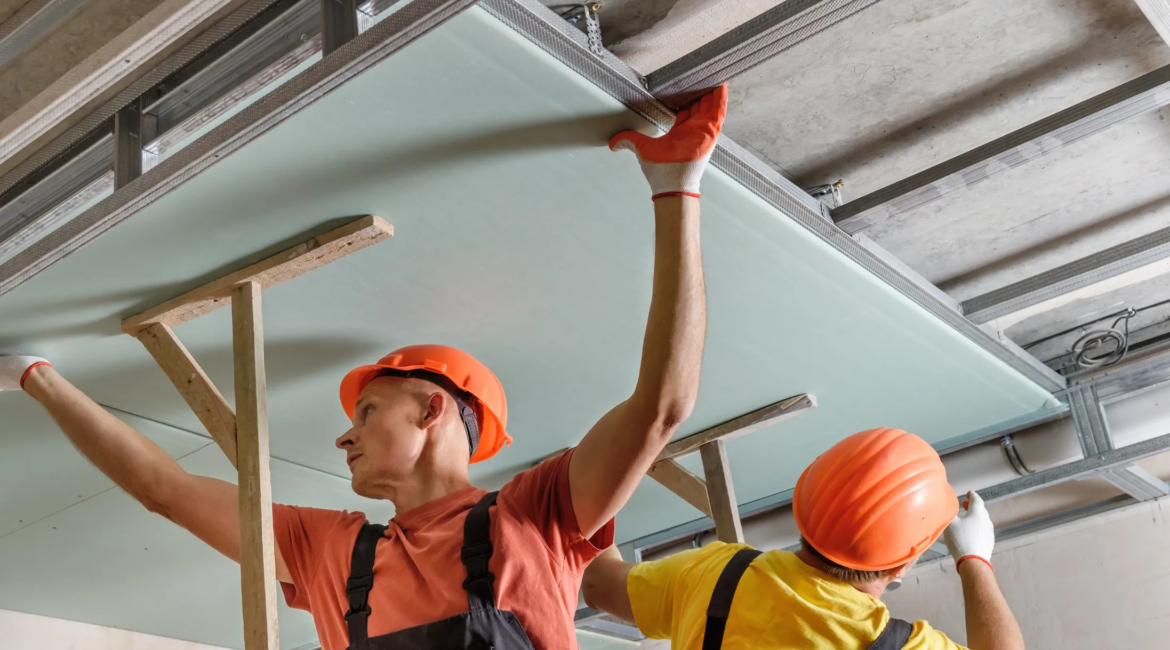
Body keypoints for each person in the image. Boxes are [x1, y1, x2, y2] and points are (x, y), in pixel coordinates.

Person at [0, 84, 728, 650]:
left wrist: (677, 191)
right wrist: (35, 375)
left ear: (434, 409)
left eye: (366, 412)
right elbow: (163, 488)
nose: (345, 438)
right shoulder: (329, 550)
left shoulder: (532, 516)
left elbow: (661, 406)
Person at [581, 427, 1026, 650]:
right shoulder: (890, 645)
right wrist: (974, 559)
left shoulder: (718, 573)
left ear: (806, 503)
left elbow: (600, 587)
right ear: (902, 563)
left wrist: (589, 477)